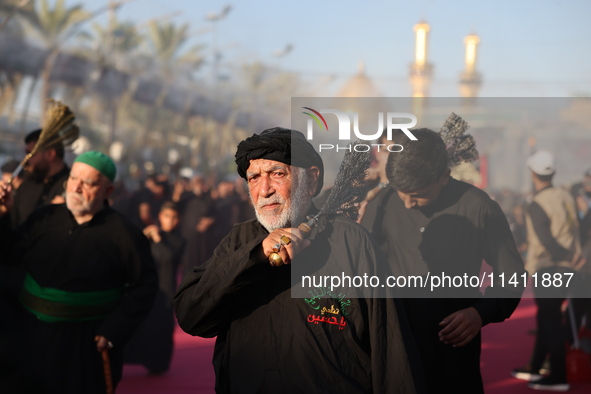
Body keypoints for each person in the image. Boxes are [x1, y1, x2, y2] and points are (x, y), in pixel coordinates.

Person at [174, 127, 420, 393]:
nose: (264, 190)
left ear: (311, 180)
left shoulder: (350, 241)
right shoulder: (240, 239)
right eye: (254, 178)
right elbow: (192, 315)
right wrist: (254, 256)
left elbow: (389, 344)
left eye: (277, 174)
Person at [362, 128, 525, 393]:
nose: (407, 204)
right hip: (396, 340)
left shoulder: (477, 205)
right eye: (402, 192)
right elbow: (365, 267)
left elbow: (512, 275)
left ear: (444, 177)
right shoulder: (383, 202)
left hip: (453, 342)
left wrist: (479, 313)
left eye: (418, 194)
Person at [0, 151, 158, 394]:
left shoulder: (124, 234)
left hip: (85, 342)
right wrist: (3, 215)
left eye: (88, 183)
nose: (77, 187)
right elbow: (9, 254)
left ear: (107, 191)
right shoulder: (43, 218)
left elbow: (145, 286)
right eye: (74, 179)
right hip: (30, 335)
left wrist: (114, 329)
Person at [513, 150, 583, 391]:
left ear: (532, 173)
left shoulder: (537, 203)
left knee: (550, 319)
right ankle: (536, 366)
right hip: (569, 267)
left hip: (549, 266)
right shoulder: (565, 196)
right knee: (546, 317)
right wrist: (574, 255)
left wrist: (565, 254)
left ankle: (558, 375)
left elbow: (545, 240)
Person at [125, 201, 186, 375]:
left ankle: (158, 363)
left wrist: (158, 238)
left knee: (161, 328)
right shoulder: (150, 235)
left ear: (179, 220)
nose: (171, 220)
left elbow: (167, 258)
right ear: (160, 216)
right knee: (142, 325)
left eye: (174, 217)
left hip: (166, 290)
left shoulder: (179, 240)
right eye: (167, 216)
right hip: (146, 287)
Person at [10, 129, 70, 228]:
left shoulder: (72, 186)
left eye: (31, 154)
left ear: (50, 154)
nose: (25, 161)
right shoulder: (29, 180)